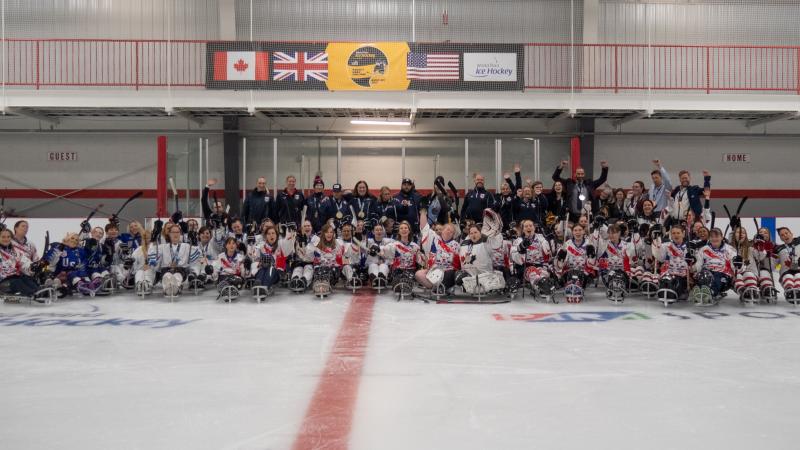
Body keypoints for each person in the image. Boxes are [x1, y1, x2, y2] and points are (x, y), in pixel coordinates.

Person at [510, 219, 554, 296]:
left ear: (534, 228)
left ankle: (544, 286)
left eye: (530, 226)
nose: (528, 228)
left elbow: (547, 252)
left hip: (539, 265)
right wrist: (521, 248)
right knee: (532, 271)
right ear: (523, 229)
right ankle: (539, 285)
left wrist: (548, 240)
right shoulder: (518, 240)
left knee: (543, 273)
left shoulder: (541, 238)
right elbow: (513, 255)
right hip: (524, 267)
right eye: (526, 226)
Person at [692, 228, 736, 301]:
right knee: (704, 274)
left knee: (717, 276)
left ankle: (712, 292)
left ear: (722, 237)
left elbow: (734, 265)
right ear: (709, 238)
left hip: (724, 274)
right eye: (712, 237)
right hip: (707, 271)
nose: (714, 239)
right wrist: (694, 269)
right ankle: (701, 292)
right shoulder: (704, 249)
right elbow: (698, 264)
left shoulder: (729, 249)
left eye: (717, 236)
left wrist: (736, 271)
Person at [0, 228, 44, 301]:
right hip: (3, 282)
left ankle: (40, 291)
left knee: (26, 278)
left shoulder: (15, 251)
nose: (6, 239)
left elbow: (24, 262)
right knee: (17, 282)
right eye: (3, 237)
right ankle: (35, 294)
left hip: (14, 278)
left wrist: (32, 267)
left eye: (8, 237)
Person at [776, 227, 800, 301]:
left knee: (798, 276)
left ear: (791, 234)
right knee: (788, 276)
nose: (785, 236)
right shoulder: (778, 248)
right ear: (780, 238)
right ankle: (790, 291)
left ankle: (798, 291)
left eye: (786, 233)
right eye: (782, 235)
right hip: (786, 272)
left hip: (799, 270)